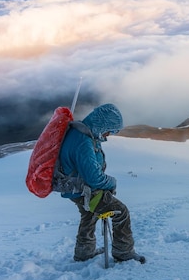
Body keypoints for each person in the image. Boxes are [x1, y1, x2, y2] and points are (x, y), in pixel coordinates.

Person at [58, 103, 144, 263]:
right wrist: (111, 182)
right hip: (85, 191)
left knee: (88, 214)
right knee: (121, 212)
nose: (108, 135)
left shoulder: (79, 133)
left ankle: (84, 252)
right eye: (110, 130)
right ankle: (123, 252)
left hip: (75, 190)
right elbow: (94, 178)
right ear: (103, 124)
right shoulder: (83, 142)